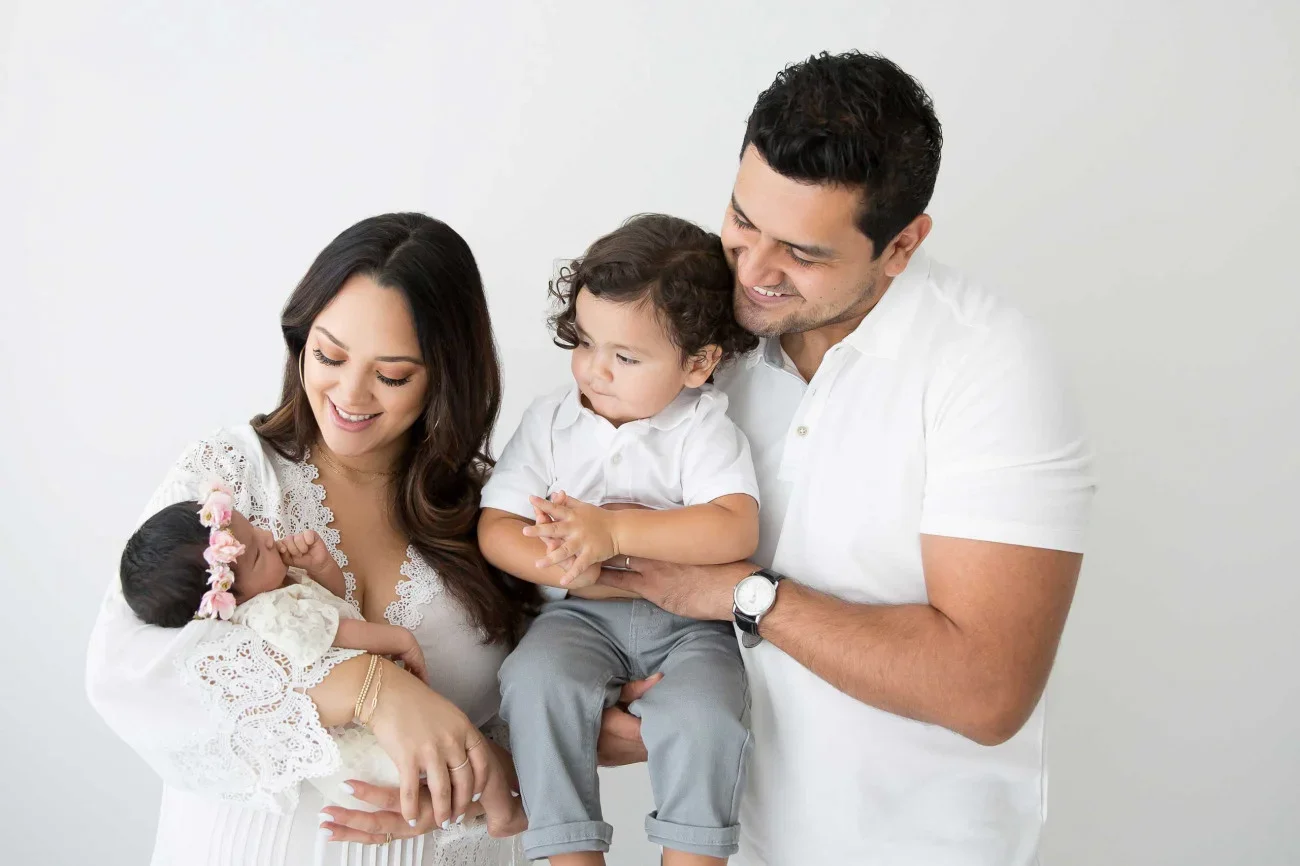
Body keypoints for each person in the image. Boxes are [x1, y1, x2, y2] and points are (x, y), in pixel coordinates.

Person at [595, 52, 1098, 865]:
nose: (752, 272)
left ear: (900, 246)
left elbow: (987, 689)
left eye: (802, 252)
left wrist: (739, 594)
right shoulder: (702, 338)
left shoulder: (991, 368)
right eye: (742, 221)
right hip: (723, 842)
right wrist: (605, 695)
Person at [87, 212, 531, 865]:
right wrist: (369, 686)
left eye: (393, 374)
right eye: (328, 355)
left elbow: (535, 747)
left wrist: (488, 781)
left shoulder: (500, 511)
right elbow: (125, 673)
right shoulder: (230, 479)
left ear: (446, 374)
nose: (349, 394)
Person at [478, 214, 760, 865]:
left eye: (625, 357)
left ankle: (691, 857)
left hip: (692, 623)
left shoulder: (702, 427)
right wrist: (564, 566)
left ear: (697, 363)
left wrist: (616, 531)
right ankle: (569, 854)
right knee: (533, 680)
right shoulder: (553, 422)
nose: (595, 370)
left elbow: (734, 524)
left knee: (708, 714)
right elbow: (496, 527)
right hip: (581, 614)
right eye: (584, 343)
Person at [119, 489, 427, 811]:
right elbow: (336, 630)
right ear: (229, 600)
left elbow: (333, 608)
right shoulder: (265, 614)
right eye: (254, 555)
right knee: (412, 764)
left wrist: (322, 568)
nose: (267, 537)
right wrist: (399, 639)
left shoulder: (272, 588)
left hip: (372, 718)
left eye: (253, 528)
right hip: (358, 749)